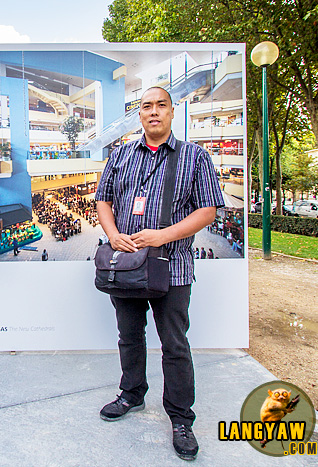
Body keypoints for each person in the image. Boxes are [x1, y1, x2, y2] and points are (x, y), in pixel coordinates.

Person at [94, 86, 223, 461]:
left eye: (161, 106)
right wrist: (113, 234)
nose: (153, 112)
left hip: (174, 268)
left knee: (175, 345)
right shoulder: (120, 155)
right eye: (146, 106)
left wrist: (162, 235)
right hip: (127, 266)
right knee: (129, 337)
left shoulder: (194, 157)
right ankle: (132, 393)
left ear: (171, 112)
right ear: (140, 115)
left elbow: (207, 210)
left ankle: (181, 418)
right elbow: (103, 198)